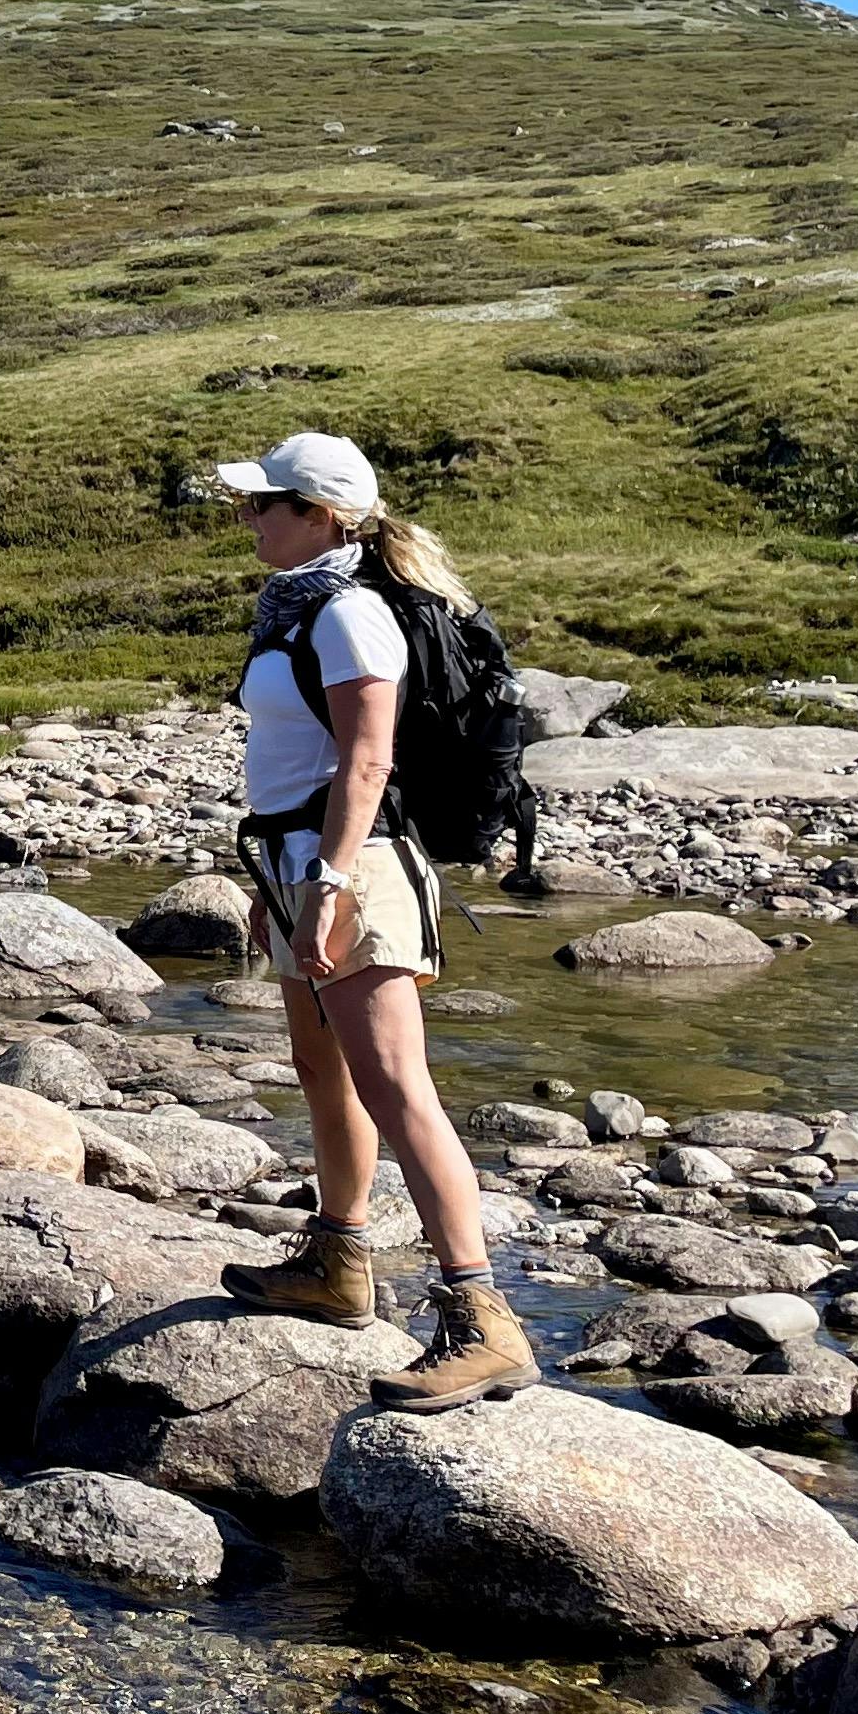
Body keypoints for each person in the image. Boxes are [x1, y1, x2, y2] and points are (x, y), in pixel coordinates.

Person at [208, 430, 535, 1410]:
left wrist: (331, 883)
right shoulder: (300, 604)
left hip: (355, 869)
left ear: (319, 516)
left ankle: (483, 1320)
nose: (248, 518)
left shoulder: (351, 615)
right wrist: (283, 887)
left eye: (263, 503)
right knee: (323, 1071)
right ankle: (338, 1264)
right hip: (297, 862)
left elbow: (367, 761)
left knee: (396, 1088)